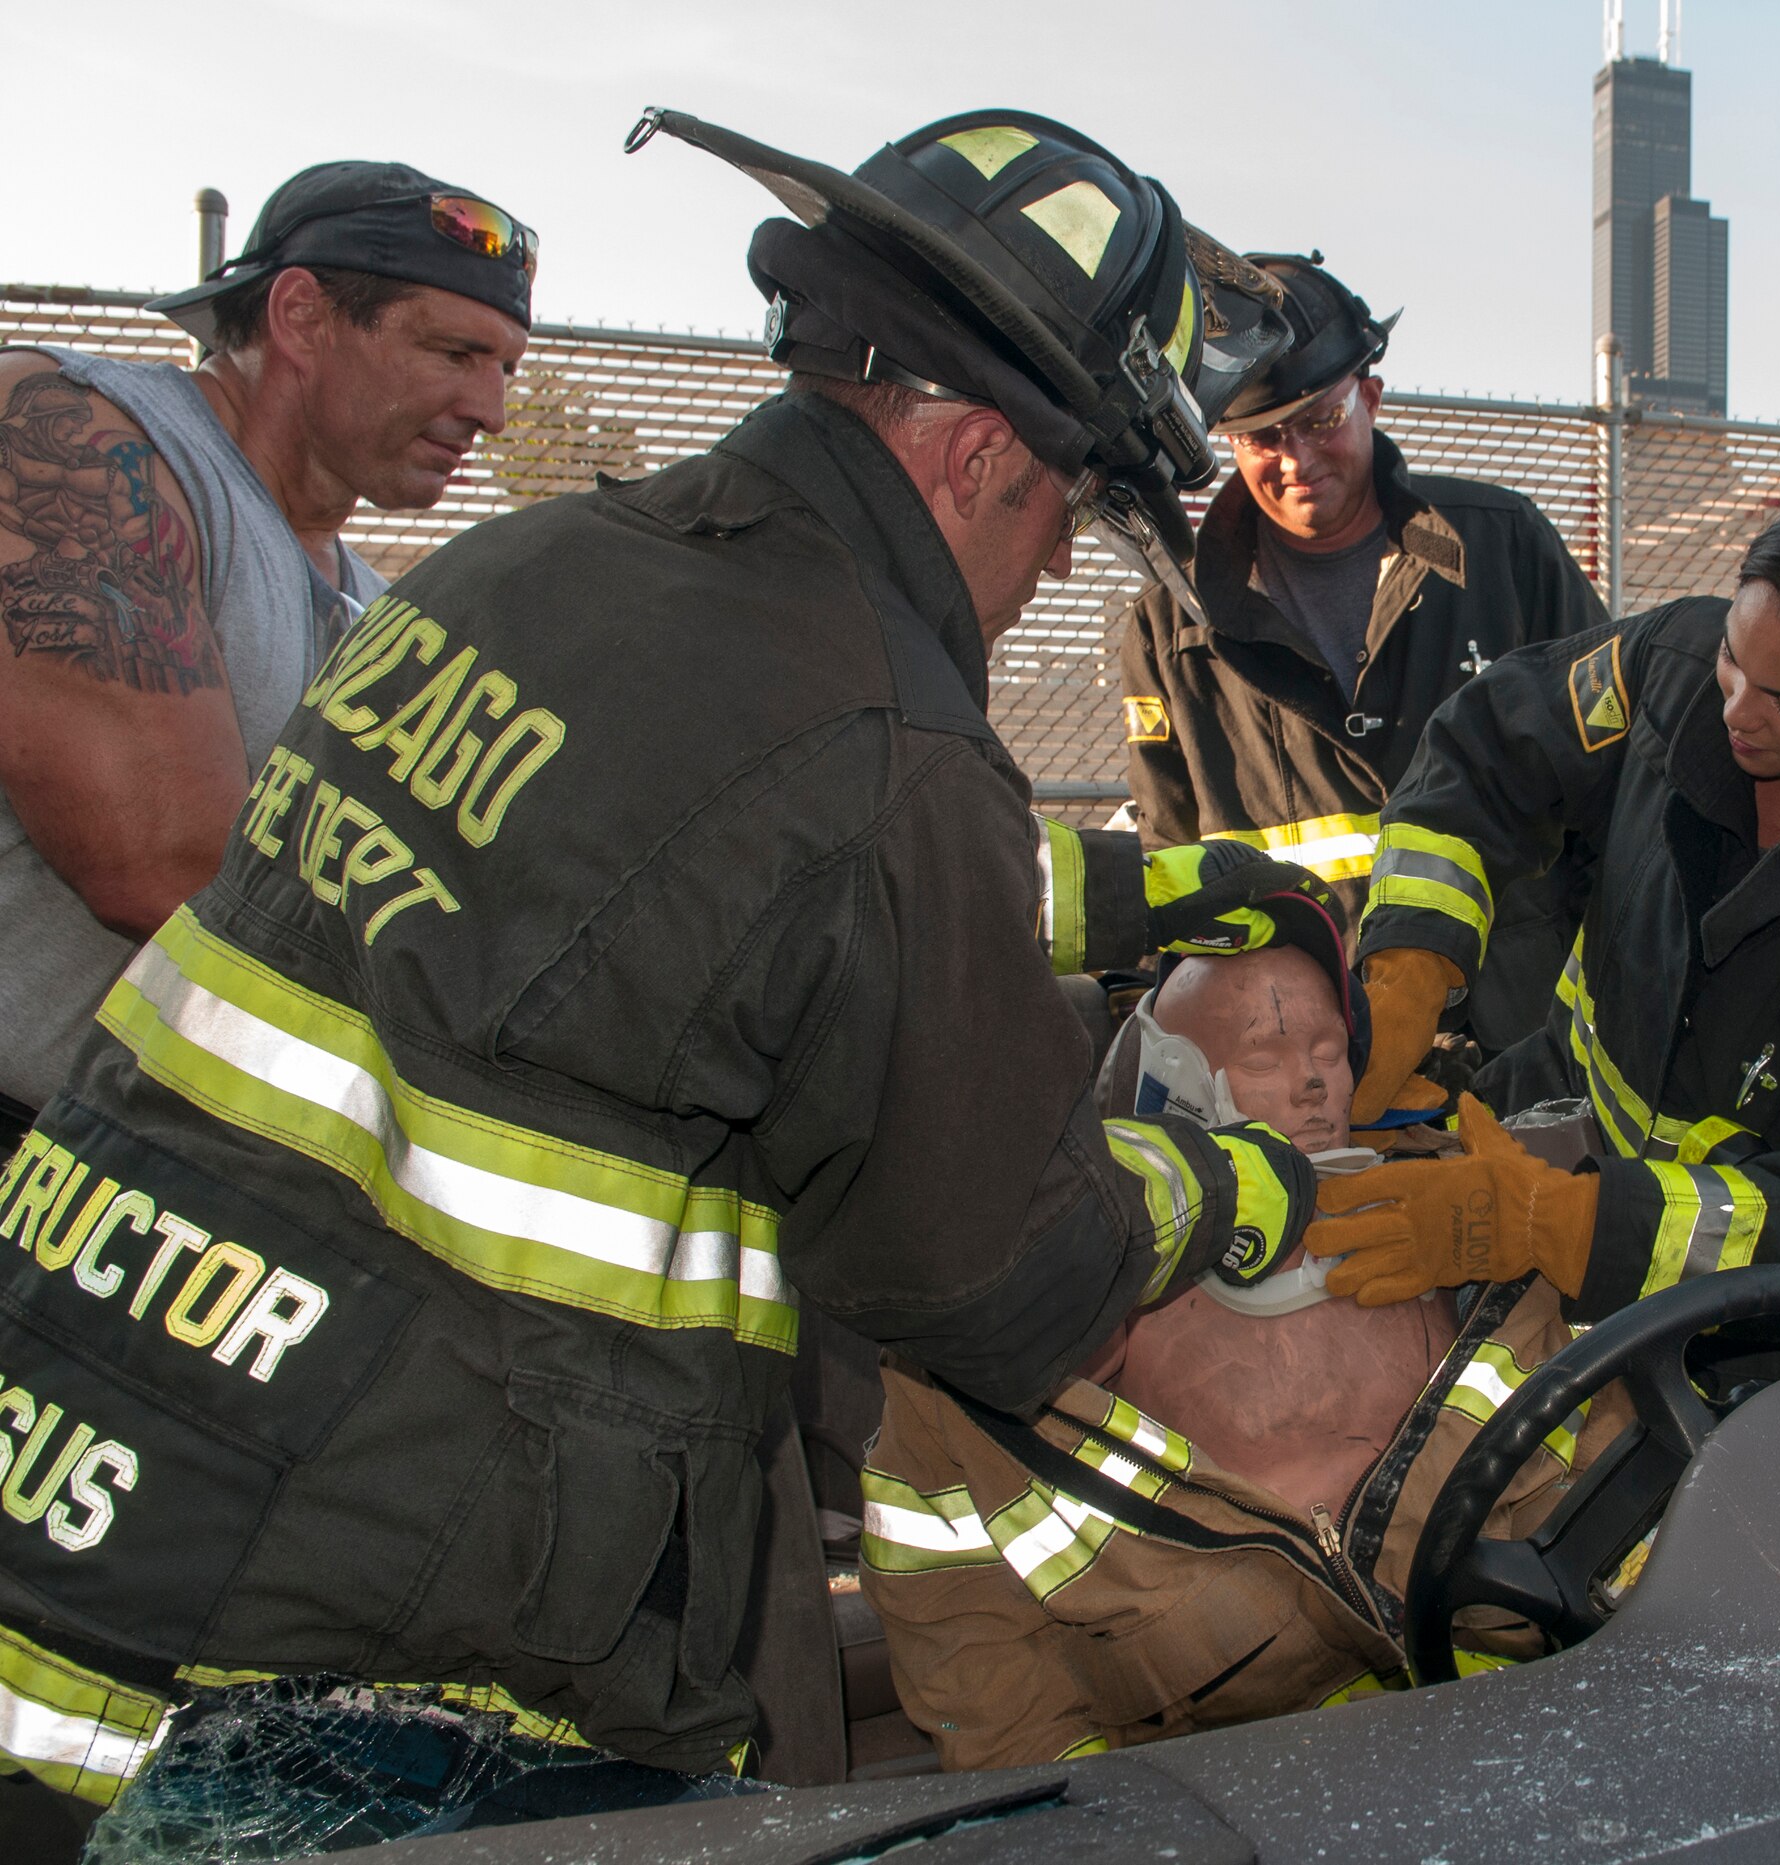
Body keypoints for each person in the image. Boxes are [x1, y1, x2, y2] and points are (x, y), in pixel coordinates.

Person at [0, 106, 1376, 1839]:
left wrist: (1168, 891)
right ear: (971, 458)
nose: (1043, 580)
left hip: (83, 1491)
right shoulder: (883, 736)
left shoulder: (531, 575)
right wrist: (1221, 1184)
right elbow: (994, 1285)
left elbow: (696, 880)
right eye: (1071, 514)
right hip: (332, 1698)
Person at [862, 893, 1621, 1769]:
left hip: (1515, 1737)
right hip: (1229, 1789)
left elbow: (1604, 1470)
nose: (1313, 1081)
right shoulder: (1051, 1313)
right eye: (1266, 1054)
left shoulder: (1456, 1222)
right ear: (1168, 1082)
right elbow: (976, 1657)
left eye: (1331, 1052)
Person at [1311, 467, 1780, 1334]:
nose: (1736, 711)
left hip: (1764, 1362)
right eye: (1734, 659)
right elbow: (1485, 754)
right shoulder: (1665, 675)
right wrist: (1410, 967)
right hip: (1535, 1147)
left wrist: (1557, 1223)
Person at [0, 161, 534, 1151]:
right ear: (299, 315)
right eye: (456, 352)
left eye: (507, 368)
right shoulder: (77, 435)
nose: (493, 409)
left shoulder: (386, 618)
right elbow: (160, 863)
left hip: (129, 1175)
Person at [1114, 255, 1607, 1052]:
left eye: (1319, 421)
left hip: (1519, 1036)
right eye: (1263, 437)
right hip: (1314, 1064)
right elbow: (1173, 871)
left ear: (1369, 399)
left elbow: (1615, 784)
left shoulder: (1504, 549)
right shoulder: (1172, 631)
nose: (1296, 460)